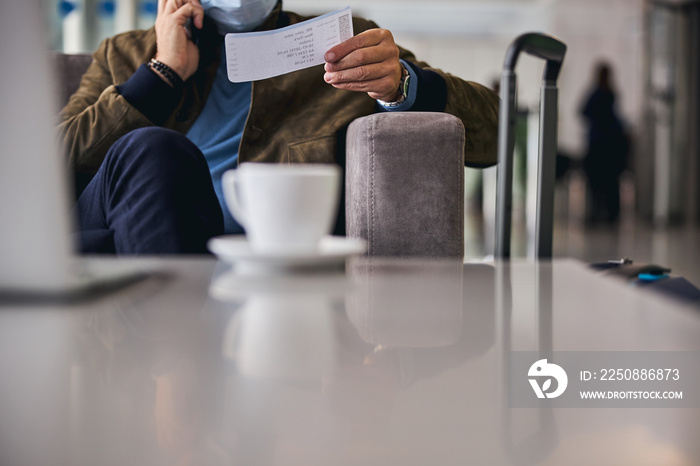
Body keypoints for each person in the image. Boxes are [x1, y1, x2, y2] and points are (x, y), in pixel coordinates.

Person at [60, 0, 499, 254]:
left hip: (272, 259)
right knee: (157, 150)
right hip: (135, 244)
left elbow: (494, 133)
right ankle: (172, 360)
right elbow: (50, 166)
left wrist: (402, 84)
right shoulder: (124, 53)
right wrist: (161, 74)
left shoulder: (337, 46)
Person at [580, 62, 629, 225]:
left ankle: (596, 215)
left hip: (598, 145)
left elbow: (583, 112)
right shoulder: (609, 94)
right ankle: (610, 216)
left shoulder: (597, 94)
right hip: (608, 146)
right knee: (609, 183)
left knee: (596, 183)